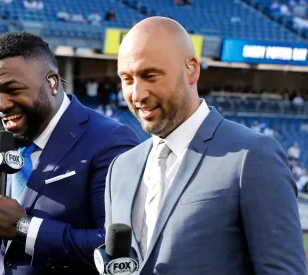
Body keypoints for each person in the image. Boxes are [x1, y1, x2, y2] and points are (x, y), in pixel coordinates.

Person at [105, 17, 306, 274]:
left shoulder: (252, 156)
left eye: (150, 76)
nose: (137, 94)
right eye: (127, 79)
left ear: (191, 69)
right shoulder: (120, 169)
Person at [0, 31, 139, 274]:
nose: (0, 104)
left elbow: (118, 249)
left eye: (13, 89)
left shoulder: (110, 141)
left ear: (51, 83)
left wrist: (26, 228)